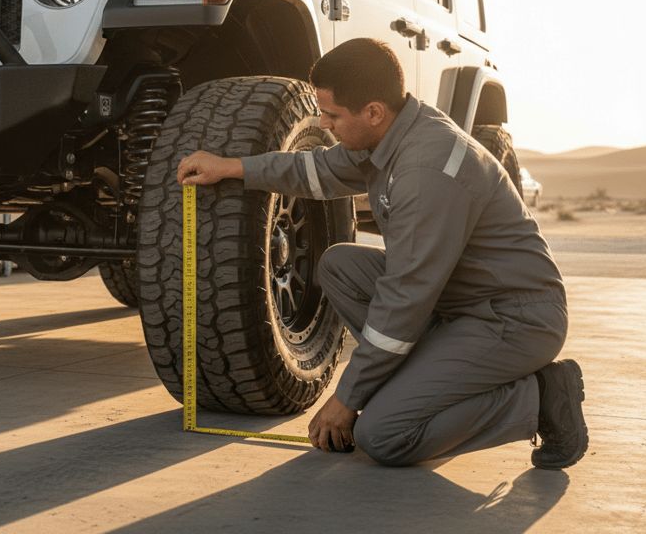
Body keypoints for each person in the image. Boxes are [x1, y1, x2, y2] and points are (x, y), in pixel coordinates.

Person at [176, 38, 588, 468]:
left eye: (333, 115)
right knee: (340, 266)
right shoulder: (389, 135)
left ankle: (541, 397)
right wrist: (233, 168)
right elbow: (314, 170)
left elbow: (404, 302)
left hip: (514, 317)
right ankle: (423, 378)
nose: (324, 122)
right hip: (458, 300)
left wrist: (347, 398)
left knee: (384, 434)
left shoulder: (426, 169)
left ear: (373, 111)